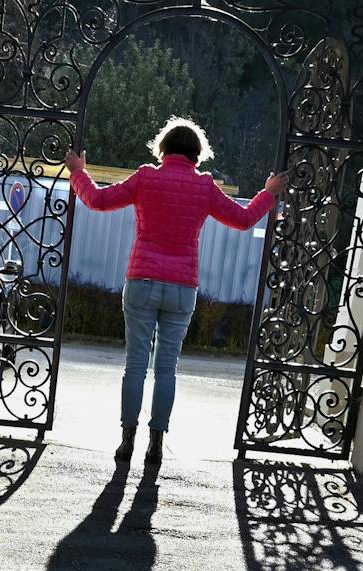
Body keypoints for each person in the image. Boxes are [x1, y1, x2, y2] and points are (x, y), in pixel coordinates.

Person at [65, 118, 286, 466]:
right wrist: (269, 193)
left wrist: (78, 171)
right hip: (182, 288)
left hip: (142, 282)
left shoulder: (146, 178)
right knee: (167, 369)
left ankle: (127, 442)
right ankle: (156, 444)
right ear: (197, 155)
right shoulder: (204, 187)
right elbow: (243, 220)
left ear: (163, 149)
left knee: (135, 366)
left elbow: (96, 200)